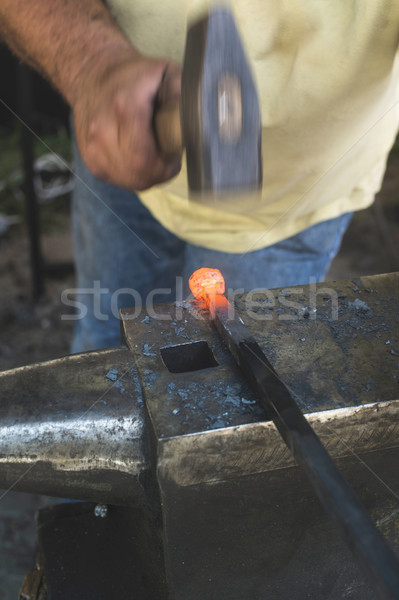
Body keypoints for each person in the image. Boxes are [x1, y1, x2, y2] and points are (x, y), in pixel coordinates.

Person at [1, 1, 398, 351]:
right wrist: (91, 61)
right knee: (106, 346)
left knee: (232, 390)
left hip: (294, 200)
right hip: (120, 129)